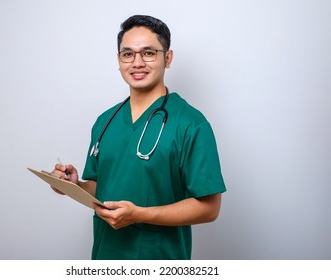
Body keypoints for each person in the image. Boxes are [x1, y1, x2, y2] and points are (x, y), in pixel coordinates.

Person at [52, 14, 226, 260]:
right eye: (128, 54)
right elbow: (103, 187)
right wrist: (75, 186)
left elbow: (210, 208)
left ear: (168, 58)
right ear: (118, 60)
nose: (137, 62)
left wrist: (139, 214)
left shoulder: (191, 124)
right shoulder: (105, 121)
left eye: (148, 53)